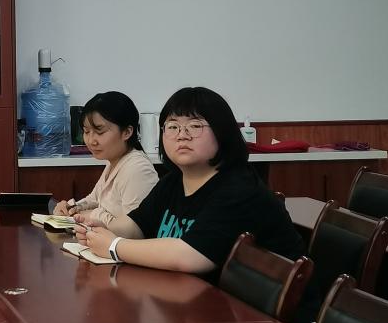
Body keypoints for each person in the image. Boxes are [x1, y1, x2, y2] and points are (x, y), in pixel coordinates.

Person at [74, 86, 303, 283]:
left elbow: (190, 256)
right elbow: (137, 224)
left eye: (195, 126)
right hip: (199, 298)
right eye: (172, 127)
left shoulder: (239, 189)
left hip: (265, 315)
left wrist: (114, 246)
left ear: (222, 132)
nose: (182, 135)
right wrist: (103, 231)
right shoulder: (173, 181)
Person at [53, 91, 158, 219]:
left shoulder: (138, 169)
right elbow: (95, 199)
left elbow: (133, 226)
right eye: (86, 132)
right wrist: (71, 208)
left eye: (100, 132)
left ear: (127, 132)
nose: (91, 141)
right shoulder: (114, 161)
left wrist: (89, 215)